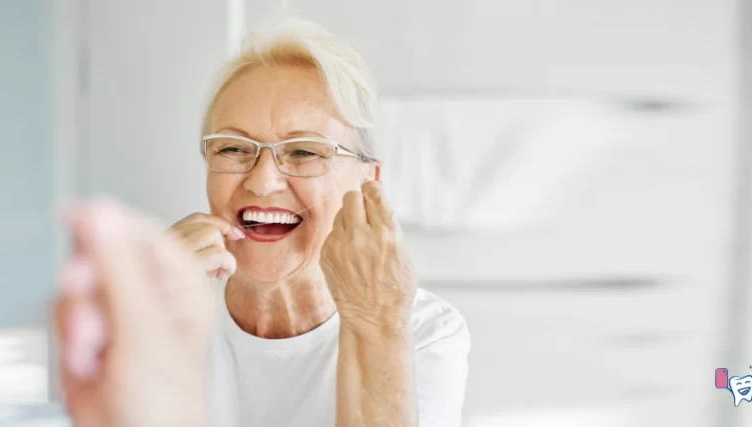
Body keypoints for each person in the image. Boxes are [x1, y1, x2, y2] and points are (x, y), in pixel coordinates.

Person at [55, 19, 470, 427]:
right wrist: (143, 329)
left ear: (367, 184)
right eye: (234, 148)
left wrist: (374, 321)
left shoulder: (424, 332)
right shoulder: (166, 311)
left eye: (305, 152)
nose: (262, 181)